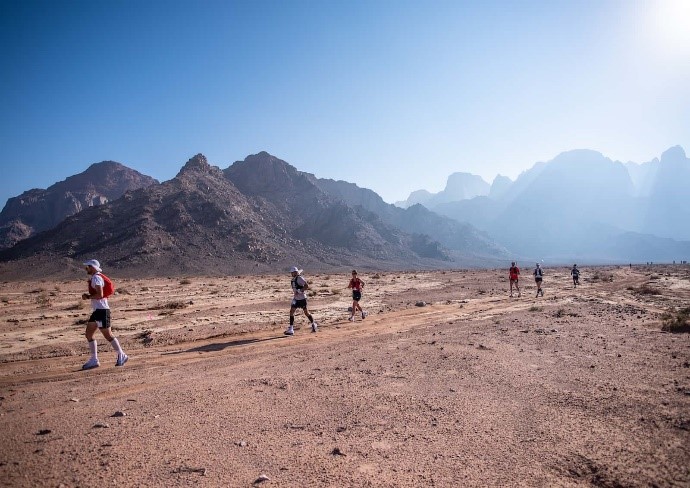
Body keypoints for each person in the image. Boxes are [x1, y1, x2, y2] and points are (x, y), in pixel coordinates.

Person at [81, 259, 128, 370]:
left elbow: (100, 294)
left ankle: (122, 355)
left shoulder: (97, 278)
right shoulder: (95, 277)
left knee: (108, 335)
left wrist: (87, 297)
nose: (86, 269)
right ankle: (94, 360)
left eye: (87, 267)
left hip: (102, 310)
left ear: (92, 267)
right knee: (89, 334)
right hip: (97, 311)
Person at [284, 267, 318, 335]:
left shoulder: (299, 278)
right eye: (291, 272)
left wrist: (300, 290)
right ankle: (291, 329)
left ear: (295, 272)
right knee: (291, 312)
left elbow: (306, 286)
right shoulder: (293, 279)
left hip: (302, 298)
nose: (291, 273)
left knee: (306, 312)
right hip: (296, 299)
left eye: (292, 272)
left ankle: (313, 324)